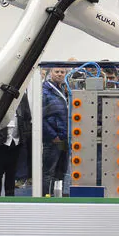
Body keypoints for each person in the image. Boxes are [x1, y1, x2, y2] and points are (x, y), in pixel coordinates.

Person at [0, 96, 31, 196]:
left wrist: (24, 136)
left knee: (11, 173)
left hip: (16, 142)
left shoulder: (22, 96)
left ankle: (10, 199)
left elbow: (27, 117)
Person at [41, 66, 69, 196]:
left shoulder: (63, 89)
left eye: (62, 72)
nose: (59, 74)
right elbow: (40, 117)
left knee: (61, 170)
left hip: (63, 138)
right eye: (56, 72)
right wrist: (53, 136)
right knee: (48, 171)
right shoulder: (45, 91)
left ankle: (57, 197)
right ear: (50, 73)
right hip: (53, 140)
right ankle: (45, 198)